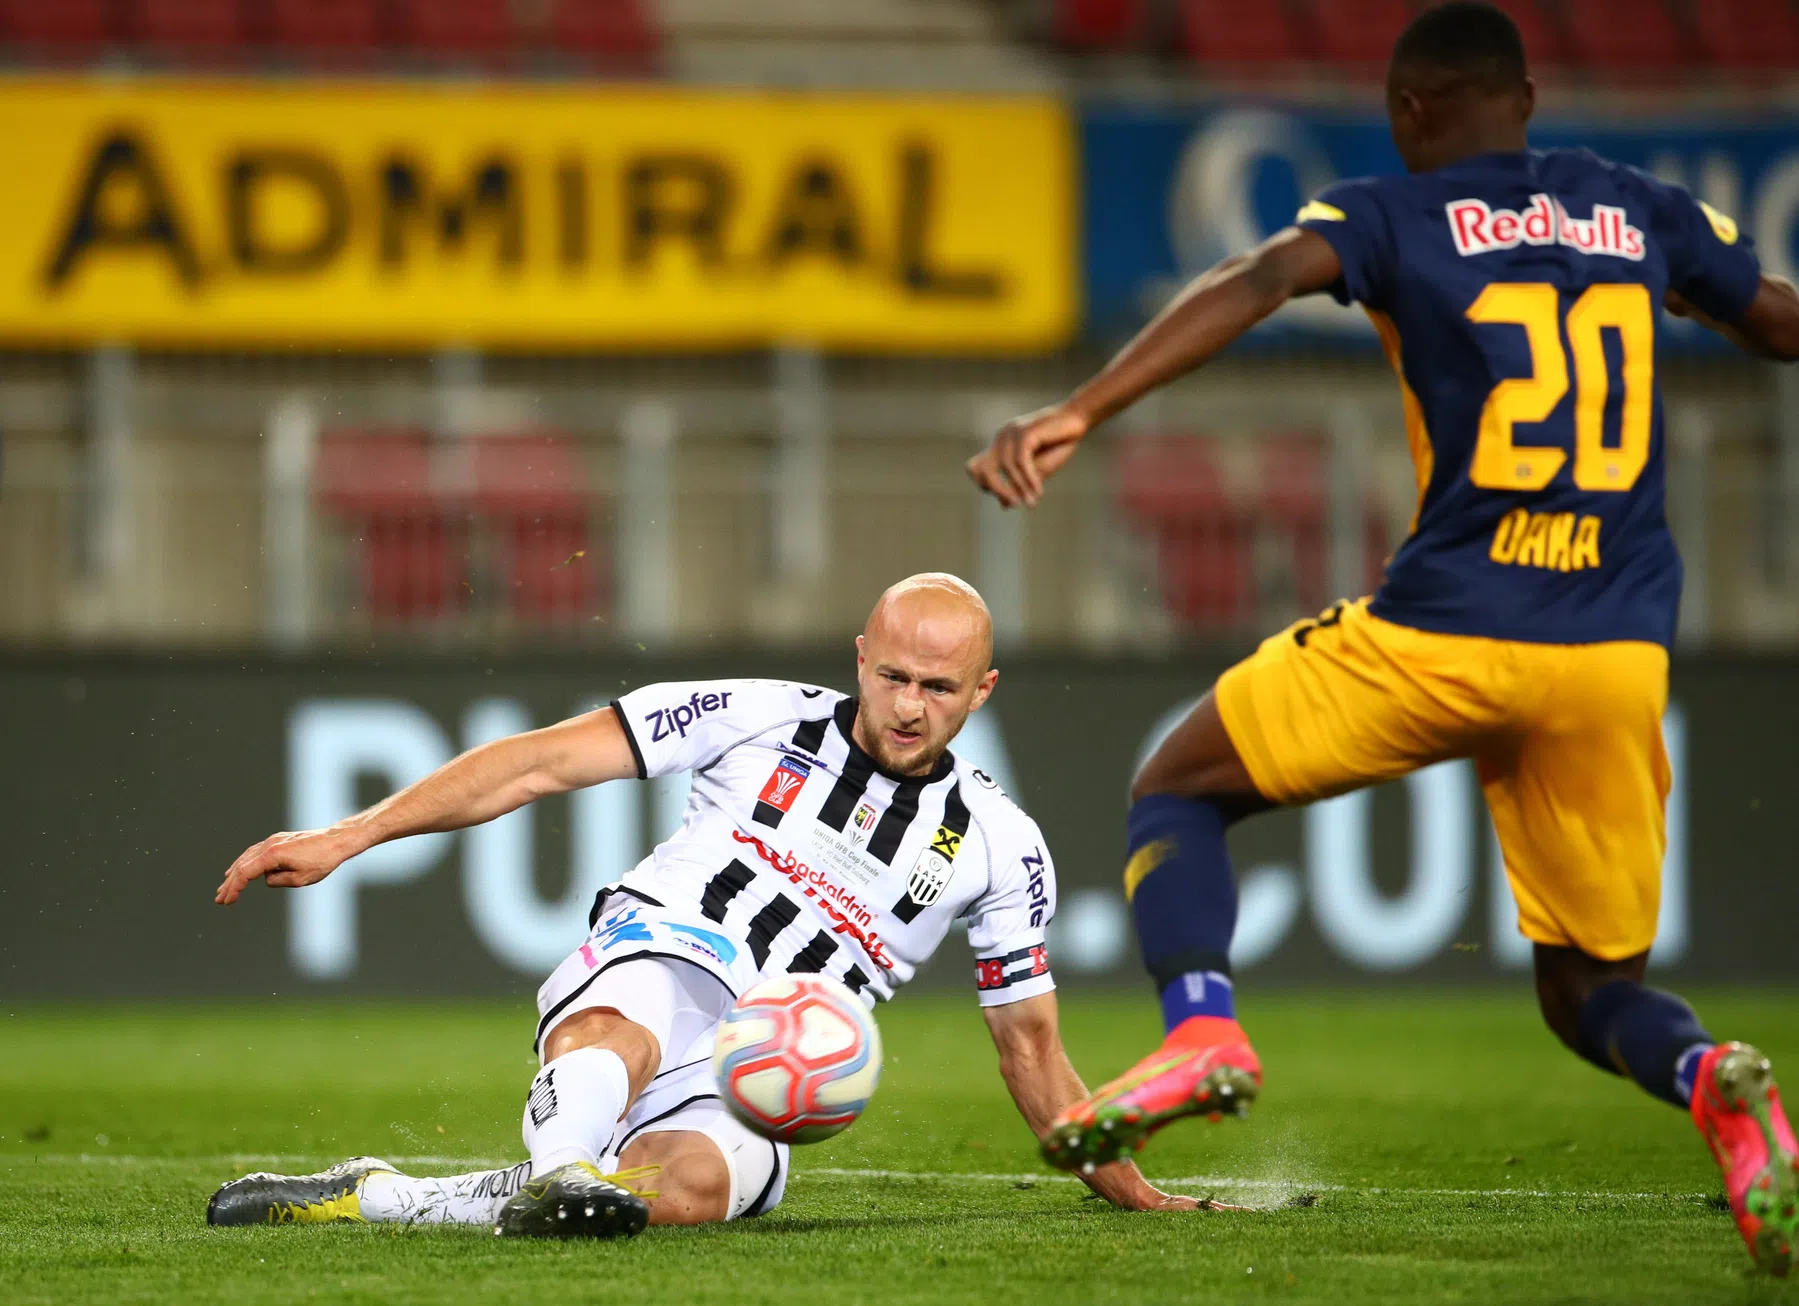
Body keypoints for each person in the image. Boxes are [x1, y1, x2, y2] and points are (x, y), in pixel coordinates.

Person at [966, 2, 1799, 1275]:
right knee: (1591, 991)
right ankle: (1709, 1081)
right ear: (1524, 97)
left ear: (1409, 111)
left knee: (1176, 789)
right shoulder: (1633, 207)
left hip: (1445, 630)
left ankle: (1203, 1030)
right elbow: (1776, 320)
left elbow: (1255, 281)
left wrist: (1082, 407)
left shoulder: (1387, 212)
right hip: (1615, 656)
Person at [205, 573, 1207, 1237]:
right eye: (892, 675)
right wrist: (349, 835)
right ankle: (561, 1168)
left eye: (937, 687)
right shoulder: (755, 714)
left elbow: (1028, 1048)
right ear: (858, 655)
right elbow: (539, 763)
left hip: (773, 1062)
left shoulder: (1001, 843)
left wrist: (1131, 1187)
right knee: (634, 1003)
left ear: (980, 690)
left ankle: (388, 1197)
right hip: (669, 951)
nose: (908, 705)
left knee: (675, 1190)